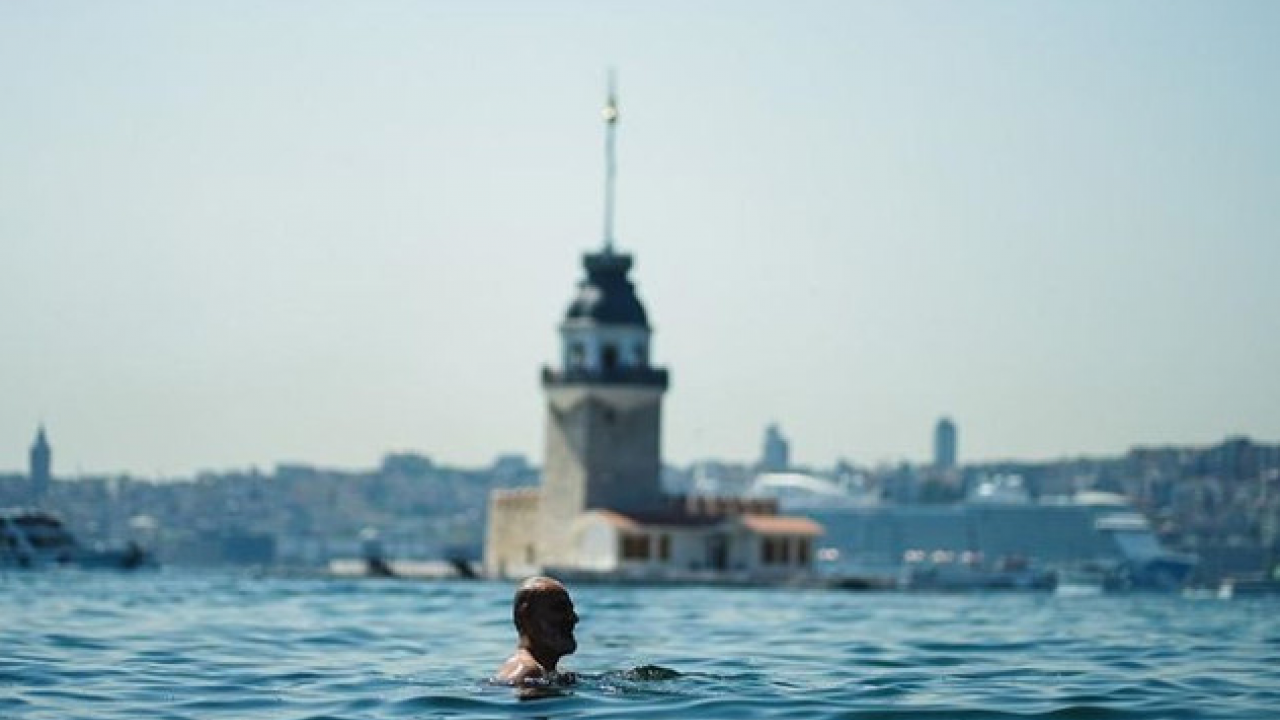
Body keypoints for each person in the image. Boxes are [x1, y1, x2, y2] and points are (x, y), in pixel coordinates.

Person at [494, 576, 580, 686]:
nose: (574, 618)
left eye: (571, 610)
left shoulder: (539, 670)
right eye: (559, 609)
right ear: (526, 617)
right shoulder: (528, 673)